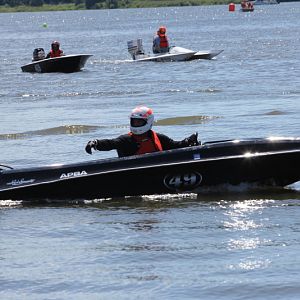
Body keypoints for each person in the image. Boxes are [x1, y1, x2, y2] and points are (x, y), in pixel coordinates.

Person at [85, 106, 199, 157]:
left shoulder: (158, 137)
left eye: (139, 122)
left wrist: (188, 141)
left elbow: (175, 146)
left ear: (148, 121)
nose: (136, 125)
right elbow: (111, 143)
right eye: (134, 122)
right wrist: (96, 143)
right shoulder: (126, 140)